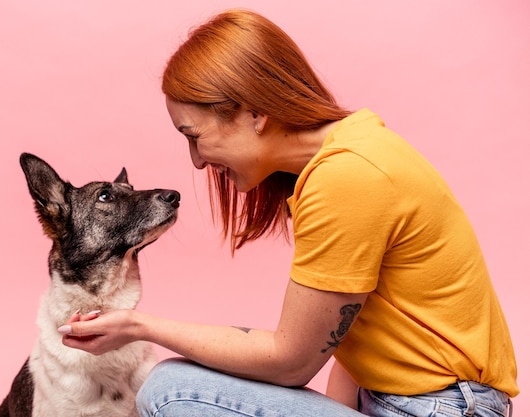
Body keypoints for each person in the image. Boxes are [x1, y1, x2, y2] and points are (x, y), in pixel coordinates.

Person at [57, 9, 519, 417]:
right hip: (412, 400)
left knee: (171, 390)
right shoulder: (352, 147)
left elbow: (292, 361)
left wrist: (139, 325)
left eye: (193, 135)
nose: (196, 161)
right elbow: (351, 335)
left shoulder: (349, 178)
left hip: (443, 410)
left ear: (254, 113)